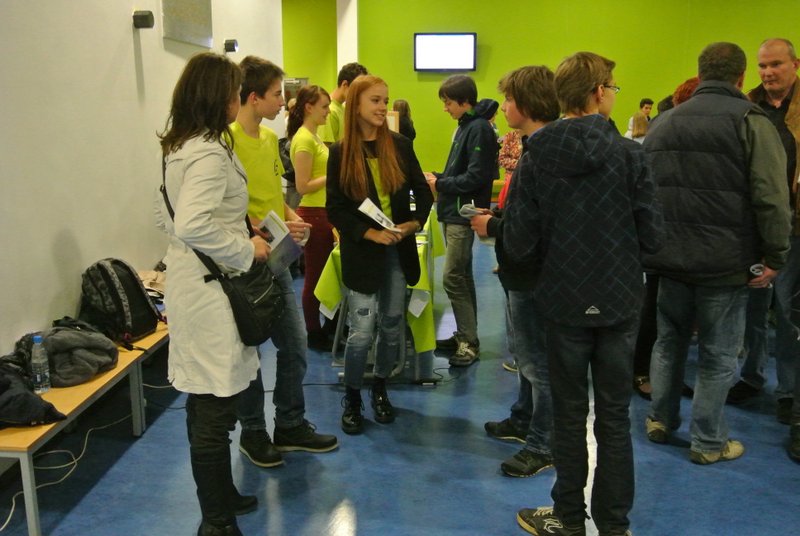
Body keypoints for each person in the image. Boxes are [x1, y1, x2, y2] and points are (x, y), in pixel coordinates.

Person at [507, 51, 664, 536]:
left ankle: (569, 519)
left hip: (562, 303)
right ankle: (614, 526)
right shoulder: (630, 155)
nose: (613, 94)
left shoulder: (537, 155)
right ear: (598, 92)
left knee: (569, 415)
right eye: (612, 87)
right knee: (614, 418)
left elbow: (519, 242)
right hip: (619, 302)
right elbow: (654, 237)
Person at [643, 43, 790, 466]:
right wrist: (776, 255)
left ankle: (660, 420)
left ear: (701, 71)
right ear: (741, 77)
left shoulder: (663, 122)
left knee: (668, 343)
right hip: (725, 263)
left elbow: (645, 194)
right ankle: (708, 442)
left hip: (669, 258)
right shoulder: (751, 121)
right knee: (718, 354)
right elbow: (771, 197)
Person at [156, 52, 267, 536]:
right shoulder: (205, 152)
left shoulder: (181, 147)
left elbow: (165, 217)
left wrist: (232, 237)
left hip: (197, 283)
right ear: (218, 97)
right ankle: (216, 522)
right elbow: (191, 223)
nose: (238, 100)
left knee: (209, 399)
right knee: (213, 407)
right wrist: (246, 249)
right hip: (208, 292)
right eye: (235, 92)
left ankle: (222, 499)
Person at [229, 56, 338, 470]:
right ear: (253, 98)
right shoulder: (225, 141)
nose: (283, 102)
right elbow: (228, 210)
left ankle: (289, 424)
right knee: (250, 354)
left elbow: (275, 198)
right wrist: (256, 230)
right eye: (277, 94)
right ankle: (253, 432)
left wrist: (294, 221)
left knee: (294, 344)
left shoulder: (270, 138)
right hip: (245, 265)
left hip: (276, 260)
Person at [326, 75, 433, 434]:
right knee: (360, 331)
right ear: (355, 104)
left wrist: (413, 224)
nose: (382, 107)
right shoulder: (340, 152)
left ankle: (381, 387)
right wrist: (368, 233)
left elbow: (424, 192)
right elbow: (335, 208)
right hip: (362, 254)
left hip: (398, 253)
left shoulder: (400, 146)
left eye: (385, 100)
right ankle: (353, 396)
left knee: (391, 325)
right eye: (375, 100)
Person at [470, 65, 560, 478]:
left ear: (525, 103)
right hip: (523, 272)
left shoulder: (545, 153)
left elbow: (536, 227)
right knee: (527, 359)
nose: (503, 106)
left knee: (539, 364)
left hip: (534, 274)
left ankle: (543, 445)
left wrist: (492, 226)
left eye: (508, 99)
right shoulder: (533, 148)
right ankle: (524, 417)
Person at [729, 39, 800, 430]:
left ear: (795, 65)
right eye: (762, 66)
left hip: (794, 228)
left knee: (788, 313)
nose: (768, 72)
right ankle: (752, 375)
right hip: (753, 227)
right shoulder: (748, 106)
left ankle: (788, 391)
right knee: (752, 308)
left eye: (776, 64)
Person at [425, 75, 499, 367]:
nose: (445, 108)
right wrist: (438, 177)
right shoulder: (467, 126)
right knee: (462, 276)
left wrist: (441, 184)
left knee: (453, 277)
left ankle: (469, 343)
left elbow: (476, 176)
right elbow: (461, 171)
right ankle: (465, 335)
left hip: (461, 213)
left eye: (448, 102)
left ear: (464, 101)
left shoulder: (478, 128)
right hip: (452, 211)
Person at [288, 85, 335, 350]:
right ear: (309, 107)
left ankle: (327, 326)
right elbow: (303, 185)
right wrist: (334, 174)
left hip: (324, 212)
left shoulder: (314, 137)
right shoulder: (304, 139)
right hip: (314, 214)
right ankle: (314, 331)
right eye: (324, 107)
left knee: (327, 276)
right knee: (315, 277)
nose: (328, 111)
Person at [318, 62, 369, 145]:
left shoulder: (342, 108)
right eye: (357, 89)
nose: (359, 94)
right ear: (345, 84)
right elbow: (326, 148)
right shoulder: (329, 111)